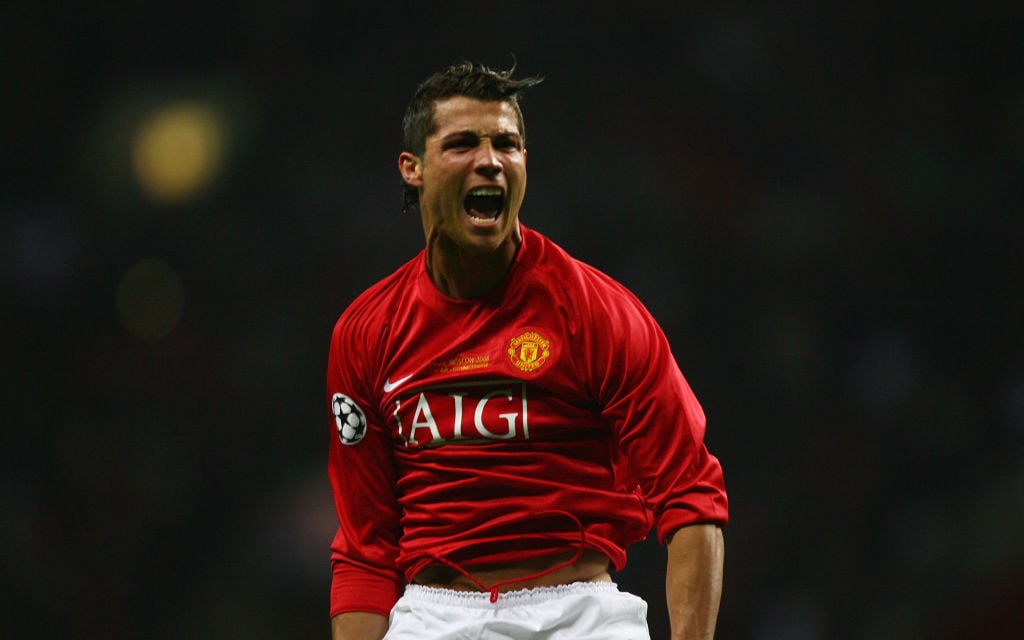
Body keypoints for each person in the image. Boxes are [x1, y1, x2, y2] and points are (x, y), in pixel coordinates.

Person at [325, 60, 728, 640]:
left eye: (506, 145)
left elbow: (691, 495)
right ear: (412, 169)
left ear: (523, 165)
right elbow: (366, 550)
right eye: (463, 143)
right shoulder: (366, 333)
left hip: (579, 616)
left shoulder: (596, 311)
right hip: (432, 617)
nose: (489, 159)